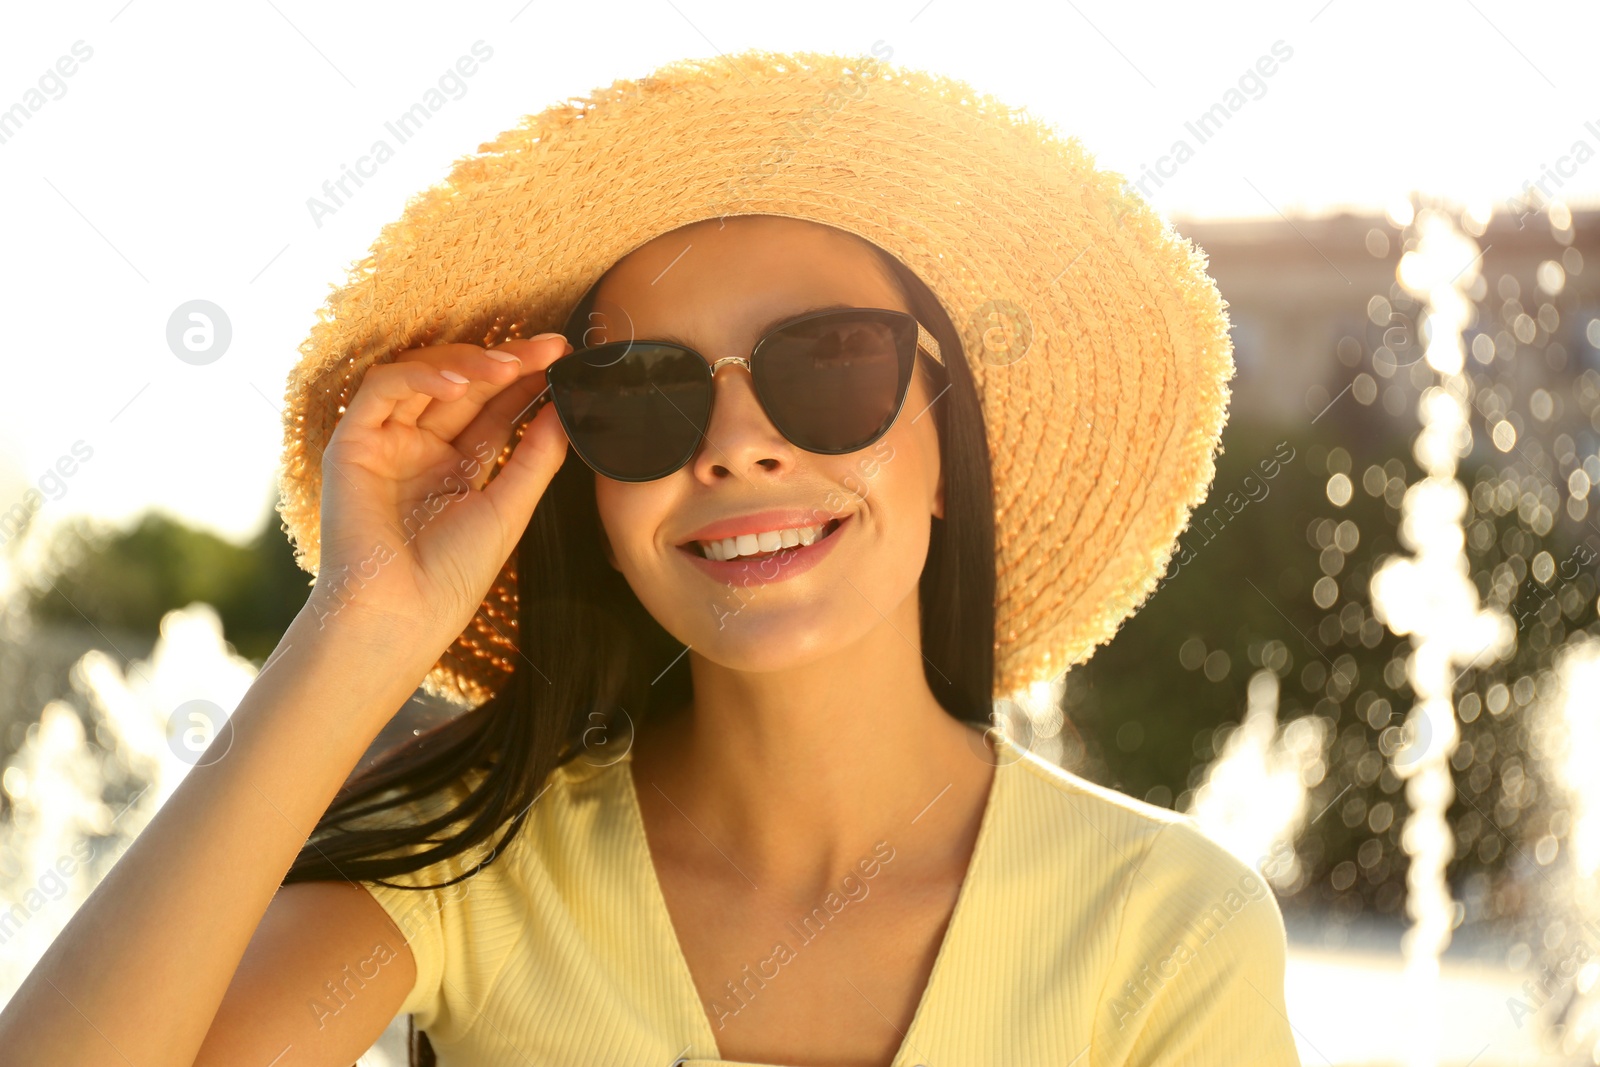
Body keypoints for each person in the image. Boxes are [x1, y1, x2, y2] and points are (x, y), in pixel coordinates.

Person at [0, 50, 1302, 1067]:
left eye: (828, 364)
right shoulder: (471, 878)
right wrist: (359, 622)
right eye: (641, 394)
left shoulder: (1167, 925)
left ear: (950, 440)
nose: (736, 444)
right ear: (583, 488)